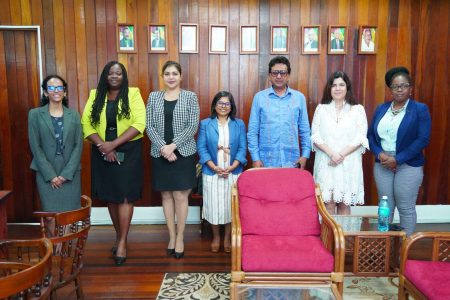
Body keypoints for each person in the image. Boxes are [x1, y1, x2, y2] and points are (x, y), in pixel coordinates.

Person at [81, 61, 146, 266]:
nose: (115, 76)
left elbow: (139, 123)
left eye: (119, 73)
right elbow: (86, 123)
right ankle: (119, 236)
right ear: (105, 76)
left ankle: (123, 243)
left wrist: (113, 145)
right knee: (110, 196)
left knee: (125, 196)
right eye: (111, 73)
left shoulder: (133, 94)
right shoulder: (95, 95)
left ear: (123, 76)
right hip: (101, 149)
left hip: (128, 149)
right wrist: (104, 146)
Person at [368, 66, 431, 236]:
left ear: (410, 88)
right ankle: (385, 248)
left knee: (405, 207)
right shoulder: (382, 109)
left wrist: (398, 159)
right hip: (382, 164)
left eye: (404, 85)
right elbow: (371, 136)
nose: (400, 89)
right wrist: (380, 154)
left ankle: (403, 251)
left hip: (408, 165)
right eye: (396, 86)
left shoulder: (420, 109)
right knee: (384, 207)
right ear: (390, 89)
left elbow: (423, 139)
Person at [146, 61, 200, 259]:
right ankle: (171, 236)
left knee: (180, 195)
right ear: (163, 76)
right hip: (159, 153)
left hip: (183, 152)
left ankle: (180, 237)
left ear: (180, 76)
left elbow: (192, 126)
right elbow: (149, 125)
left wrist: (173, 146)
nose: (171, 77)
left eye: (174, 73)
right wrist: (163, 147)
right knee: (166, 196)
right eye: (167, 73)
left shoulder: (190, 97)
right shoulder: (154, 97)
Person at [28, 75, 83, 233]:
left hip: (69, 172)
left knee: (69, 214)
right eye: (51, 88)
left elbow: (78, 146)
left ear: (64, 92)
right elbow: (35, 146)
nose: (56, 91)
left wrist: (65, 174)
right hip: (46, 171)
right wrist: (51, 175)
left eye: (60, 88)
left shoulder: (74, 115)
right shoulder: (35, 114)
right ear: (46, 92)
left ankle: (65, 248)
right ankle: (55, 249)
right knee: (50, 215)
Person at [311, 71, 369, 215]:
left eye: (341, 85)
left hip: (348, 163)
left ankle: (344, 238)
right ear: (329, 89)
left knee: (344, 204)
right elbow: (315, 136)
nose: (337, 88)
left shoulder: (357, 109)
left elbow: (361, 137)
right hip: (326, 162)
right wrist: (332, 154)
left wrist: (340, 155)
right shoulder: (321, 109)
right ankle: (328, 238)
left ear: (347, 88)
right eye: (334, 85)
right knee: (327, 204)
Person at [197, 91, 247, 253]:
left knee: (230, 206)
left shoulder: (238, 124)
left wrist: (232, 167)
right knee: (213, 206)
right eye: (220, 103)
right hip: (212, 172)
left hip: (233, 172)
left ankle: (227, 238)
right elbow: (202, 148)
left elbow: (242, 148)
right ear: (214, 105)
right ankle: (216, 237)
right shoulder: (206, 124)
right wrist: (214, 167)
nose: (223, 106)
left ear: (231, 106)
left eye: (227, 104)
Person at [247, 56, 311, 169]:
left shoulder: (299, 98)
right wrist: (255, 158)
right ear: (269, 76)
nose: (279, 76)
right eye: (275, 73)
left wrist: (305, 155)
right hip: (265, 161)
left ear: (288, 75)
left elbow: (305, 130)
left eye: (283, 73)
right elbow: (252, 131)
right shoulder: (259, 98)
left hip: (292, 160)